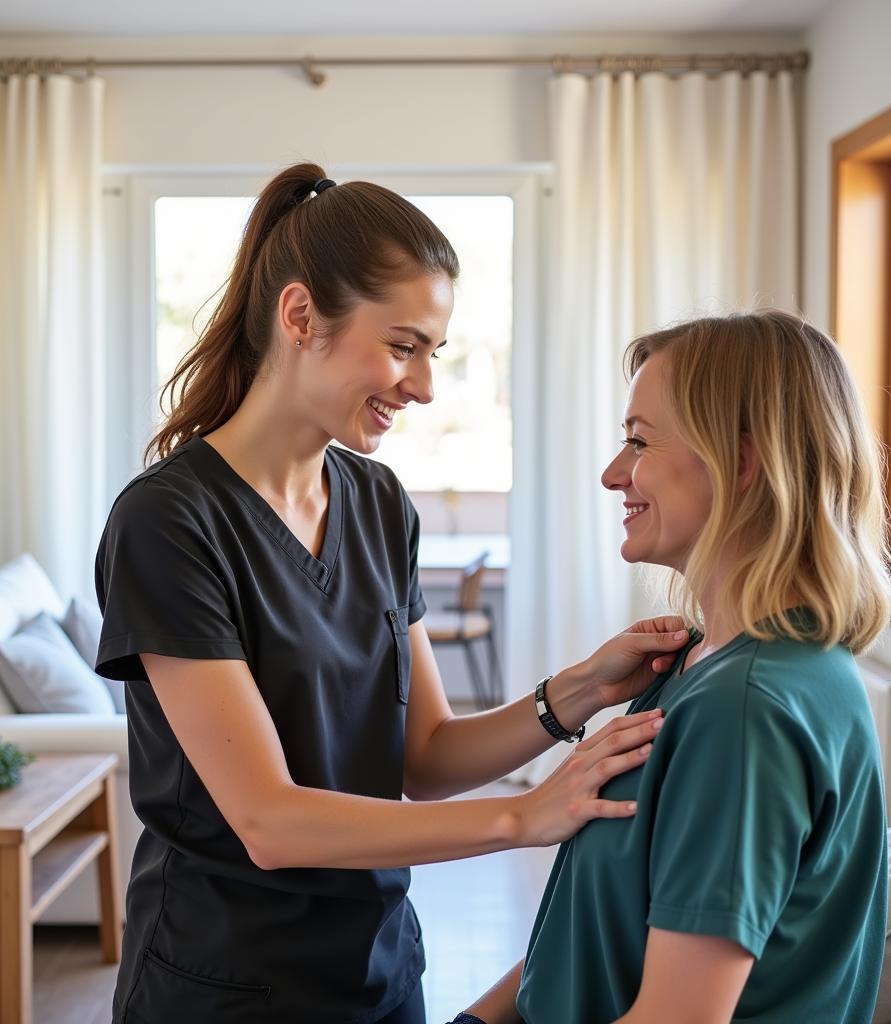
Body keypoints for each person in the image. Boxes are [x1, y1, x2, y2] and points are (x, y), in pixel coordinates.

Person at [94, 162, 694, 1024]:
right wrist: (522, 818)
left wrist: (582, 690)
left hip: (379, 972)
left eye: (432, 353)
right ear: (301, 316)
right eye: (403, 345)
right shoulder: (169, 523)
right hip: (224, 985)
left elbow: (426, 757)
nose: (423, 386)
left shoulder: (377, 503)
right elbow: (270, 821)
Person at [454, 310, 891, 1024]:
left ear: (743, 462)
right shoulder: (700, 665)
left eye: (638, 442)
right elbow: (598, 932)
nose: (611, 473)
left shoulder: (745, 709)